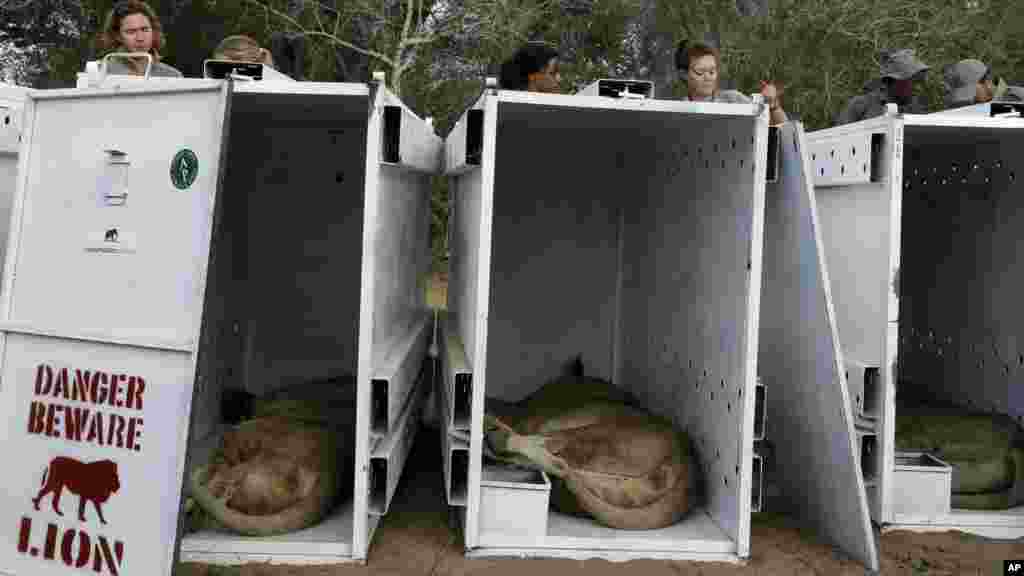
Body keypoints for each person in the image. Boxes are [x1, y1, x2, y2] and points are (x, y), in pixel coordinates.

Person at [835, 48, 929, 125]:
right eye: (915, 81)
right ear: (894, 81)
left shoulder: (917, 111)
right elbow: (837, 139)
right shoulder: (860, 106)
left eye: (920, 82)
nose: (918, 87)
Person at [96, 0, 183, 78]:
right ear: (118, 36)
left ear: (153, 30)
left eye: (145, 29)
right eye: (131, 32)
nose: (140, 38)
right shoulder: (99, 72)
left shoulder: (173, 76)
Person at [674, 41, 750, 104]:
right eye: (700, 72)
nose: (708, 78)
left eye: (712, 72)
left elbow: (759, 115)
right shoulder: (677, 110)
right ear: (683, 74)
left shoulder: (735, 100)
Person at [943, 59, 1024, 109]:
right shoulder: (984, 106)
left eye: (971, 93)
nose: (970, 99)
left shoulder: (1017, 100)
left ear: (987, 82)